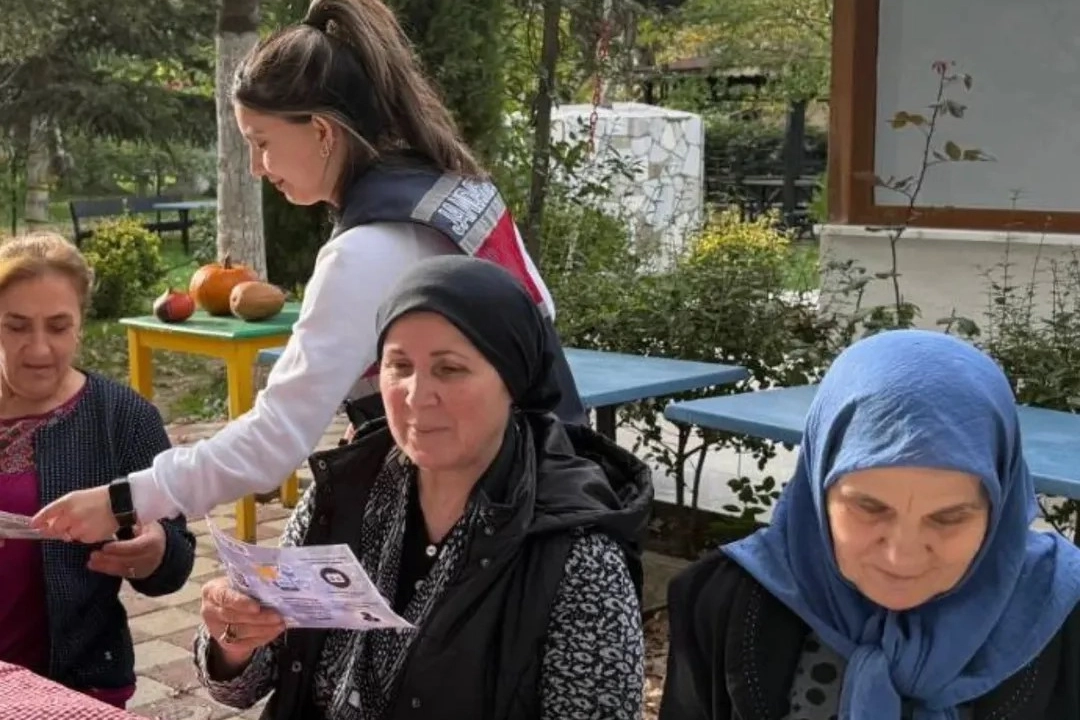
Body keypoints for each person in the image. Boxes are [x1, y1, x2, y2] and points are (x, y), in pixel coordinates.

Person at [31, 0, 586, 545]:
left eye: (262, 143)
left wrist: (125, 499)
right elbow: (539, 315)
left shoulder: (366, 252)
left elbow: (275, 438)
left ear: (322, 131)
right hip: (556, 474)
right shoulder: (456, 188)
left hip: (491, 521)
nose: (256, 168)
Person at [193, 256, 651, 720]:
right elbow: (247, 682)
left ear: (513, 381)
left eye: (449, 369)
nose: (415, 394)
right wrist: (235, 639)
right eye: (399, 365)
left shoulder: (576, 556)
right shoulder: (343, 492)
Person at [659, 329, 1080, 720]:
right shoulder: (723, 600)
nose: (901, 556)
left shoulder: (1062, 617)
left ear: (1000, 508)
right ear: (818, 491)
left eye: (948, 517)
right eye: (869, 508)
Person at [0, 233, 195, 709]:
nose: (39, 349)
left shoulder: (121, 418)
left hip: (76, 687)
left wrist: (154, 551)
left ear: (81, 326)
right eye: (16, 326)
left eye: (58, 327)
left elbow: (175, 560)